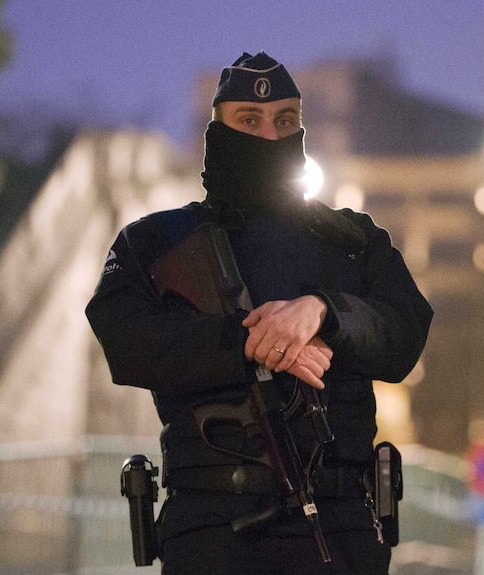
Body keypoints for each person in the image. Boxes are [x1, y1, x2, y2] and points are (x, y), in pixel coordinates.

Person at [85, 51, 433, 574]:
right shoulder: (155, 242)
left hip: (340, 524)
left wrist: (324, 312)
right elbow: (128, 342)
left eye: (285, 121)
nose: (270, 137)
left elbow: (405, 330)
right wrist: (249, 342)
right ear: (216, 132)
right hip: (212, 527)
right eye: (249, 120)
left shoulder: (355, 240)